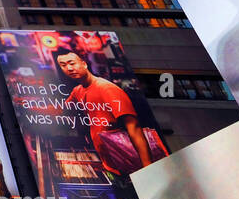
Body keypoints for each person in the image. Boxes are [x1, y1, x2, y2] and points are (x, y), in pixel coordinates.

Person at [55, 48, 166, 176]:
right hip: (109, 161)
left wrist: (148, 167)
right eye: (63, 65)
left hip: (129, 162)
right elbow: (62, 110)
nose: (68, 68)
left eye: (72, 63)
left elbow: (134, 127)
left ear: (84, 64)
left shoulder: (106, 89)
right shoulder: (78, 90)